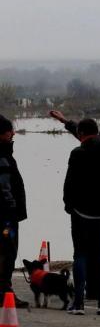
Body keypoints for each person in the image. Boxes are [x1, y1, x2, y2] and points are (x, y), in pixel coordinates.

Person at [50, 111, 100, 303]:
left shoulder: (85, 150)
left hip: (85, 210)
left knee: (87, 253)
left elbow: (83, 135)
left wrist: (65, 122)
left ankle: (88, 293)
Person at [63, 118, 100, 316]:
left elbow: (70, 182)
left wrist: (68, 204)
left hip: (81, 211)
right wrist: (66, 122)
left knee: (80, 254)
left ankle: (79, 303)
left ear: (81, 134)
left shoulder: (78, 153)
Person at [0, 115, 29, 308]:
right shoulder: (2, 157)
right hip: (5, 218)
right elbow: (4, 187)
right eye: (10, 131)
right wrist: (11, 209)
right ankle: (5, 293)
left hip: (6, 215)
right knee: (7, 252)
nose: (13, 134)